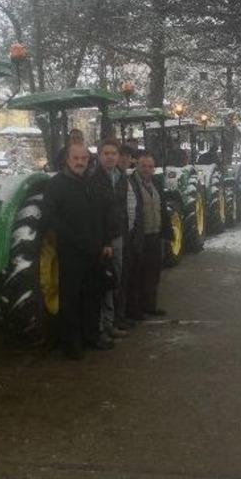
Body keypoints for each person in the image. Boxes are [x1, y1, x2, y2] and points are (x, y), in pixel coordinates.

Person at [43, 143, 114, 359]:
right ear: (67, 159)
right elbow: (50, 217)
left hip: (95, 251)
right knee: (71, 299)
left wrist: (106, 242)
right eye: (76, 158)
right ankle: (72, 344)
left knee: (92, 296)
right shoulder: (57, 185)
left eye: (83, 158)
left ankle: (91, 336)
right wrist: (72, 239)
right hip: (70, 252)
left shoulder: (91, 184)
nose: (80, 162)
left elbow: (102, 215)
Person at [89, 138, 130, 339]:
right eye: (106, 153)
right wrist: (104, 242)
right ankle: (101, 327)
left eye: (113, 153)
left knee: (115, 281)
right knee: (103, 283)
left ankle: (112, 322)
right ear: (99, 156)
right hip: (102, 241)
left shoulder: (121, 177)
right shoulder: (93, 179)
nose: (110, 157)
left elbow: (121, 209)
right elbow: (95, 215)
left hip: (118, 236)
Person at [126, 152, 172, 322]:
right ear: (137, 166)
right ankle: (136, 310)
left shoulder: (156, 183)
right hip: (139, 237)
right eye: (144, 166)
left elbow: (162, 207)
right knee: (137, 273)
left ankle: (150, 306)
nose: (147, 169)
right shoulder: (130, 184)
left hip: (155, 234)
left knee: (153, 273)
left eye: (150, 167)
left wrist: (166, 232)